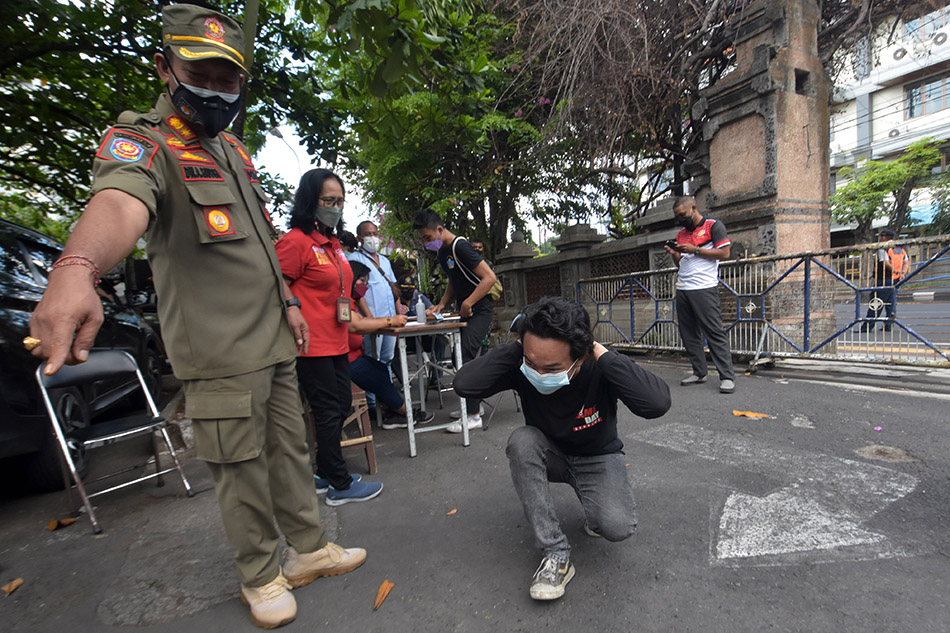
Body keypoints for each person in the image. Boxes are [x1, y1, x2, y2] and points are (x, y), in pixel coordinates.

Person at [26, 6, 364, 628]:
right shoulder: (146, 143)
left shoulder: (232, 149)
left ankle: (309, 549)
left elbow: (263, 247)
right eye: (199, 72)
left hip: (274, 340)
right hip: (217, 352)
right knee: (239, 468)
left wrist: (290, 305)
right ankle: (259, 575)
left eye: (227, 78)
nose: (214, 87)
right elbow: (119, 202)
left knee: (292, 450)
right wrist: (76, 268)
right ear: (165, 68)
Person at [453, 297, 671, 601]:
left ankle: (593, 510)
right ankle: (555, 551)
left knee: (617, 527)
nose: (540, 373)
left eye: (552, 367)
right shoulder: (523, 363)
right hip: (549, 454)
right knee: (522, 440)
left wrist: (598, 351)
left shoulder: (598, 365)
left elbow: (656, 403)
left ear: (581, 356)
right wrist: (522, 348)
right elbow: (464, 384)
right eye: (532, 363)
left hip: (597, 456)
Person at [275, 169, 384, 508]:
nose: (335, 207)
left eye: (339, 201)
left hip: (337, 341)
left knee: (338, 405)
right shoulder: (295, 242)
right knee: (326, 410)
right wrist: (292, 306)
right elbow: (274, 279)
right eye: (328, 201)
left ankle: (325, 472)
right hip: (311, 345)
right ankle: (338, 484)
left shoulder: (333, 245)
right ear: (310, 201)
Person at [413, 209, 497, 432]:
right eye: (423, 239)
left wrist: (468, 301)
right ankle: (472, 404)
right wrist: (442, 303)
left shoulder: (460, 246)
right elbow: (453, 280)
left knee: (465, 356)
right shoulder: (442, 251)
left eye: (428, 238)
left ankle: (474, 416)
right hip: (466, 309)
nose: (426, 243)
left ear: (439, 229)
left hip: (480, 310)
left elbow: (489, 278)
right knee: (457, 355)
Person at [347, 262, 434, 428]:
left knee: (380, 368)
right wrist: (389, 321)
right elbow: (355, 325)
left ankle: (394, 411)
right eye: (362, 282)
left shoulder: (351, 301)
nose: (365, 287)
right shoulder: (343, 301)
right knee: (377, 377)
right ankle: (407, 413)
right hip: (346, 359)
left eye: (367, 283)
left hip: (354, 355)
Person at [664, 195, 736, 394]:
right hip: (683, 287)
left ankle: (727, 376)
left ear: (693, 208)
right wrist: (675, 253)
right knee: (688, 334)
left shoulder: (714, 226)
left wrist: (695, 249)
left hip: (704, 287)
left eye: (682, 214)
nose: (680, 219)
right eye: (677, 216)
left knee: (713, 331)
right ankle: (699, 372)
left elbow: (725, 253)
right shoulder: (682, 234)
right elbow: (680, 263)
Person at [348, 220, 400, 412]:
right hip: (372, 322)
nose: (373, 237)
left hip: (391, 320)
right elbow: (358, 292)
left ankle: (387, 400)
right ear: (359, 238)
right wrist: (369, 318)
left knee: (387, 357)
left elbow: (393, 289)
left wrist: (398, 310)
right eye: (368, 234)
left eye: (375, 233)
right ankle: (372, 404)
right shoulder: (356, 260)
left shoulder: (385, 261)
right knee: (373, 359)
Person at [859, 227, 909, 333]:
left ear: (885, 237)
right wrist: (902, 273)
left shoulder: (884, 247)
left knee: (877, 302)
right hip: (896, 280)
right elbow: (906, 262)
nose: (880, 239)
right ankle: (888, 325)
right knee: (891, 303)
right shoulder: (900, 248)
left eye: (881, 236)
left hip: (884, 278)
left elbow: (885, 263)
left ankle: (868, 326)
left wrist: (896, 271)